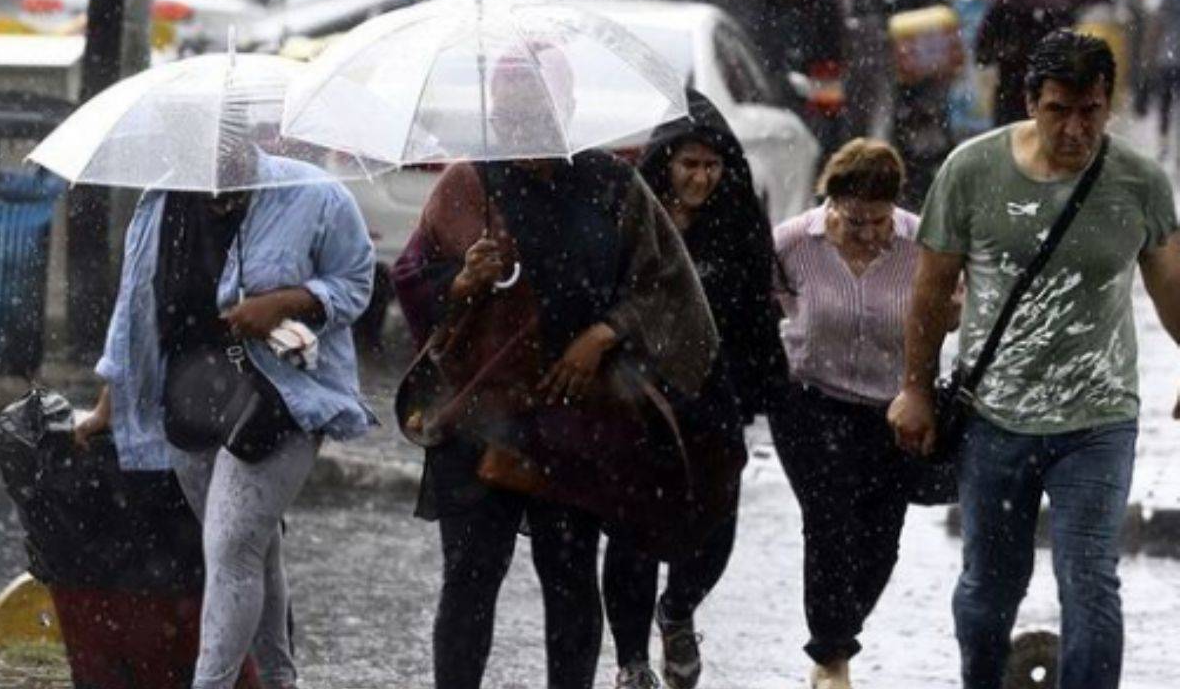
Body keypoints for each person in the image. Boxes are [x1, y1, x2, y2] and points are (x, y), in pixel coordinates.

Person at [392, 45, 721, 689]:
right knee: (469, 580)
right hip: (479, 419)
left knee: (570, 582)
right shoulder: (466, 184)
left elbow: (667, 288)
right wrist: (461, 283)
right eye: (511, 114)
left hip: (579, 421)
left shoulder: (612, 184)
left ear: (567, 109)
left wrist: (605, 333)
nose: (525, 128)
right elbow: (412, 278)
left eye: (539, 111)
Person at [888, 30, 1180, 689]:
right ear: (1029, 101)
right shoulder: (971, 171)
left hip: (1099, 420)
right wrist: (913, 388)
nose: (1075, 128)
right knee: (988, 595)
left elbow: (1172, 292)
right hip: (995, 419)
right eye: (1058, 110)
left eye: (1091, 111)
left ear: (1109, 105)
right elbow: (931, 293)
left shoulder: (1138, 181)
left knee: (1091, 586)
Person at [75, 153, 377, 689]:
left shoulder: (313, 194)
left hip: (282, 398)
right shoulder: (160, 202)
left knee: (232, 545)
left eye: (230, 137)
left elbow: (356, 280)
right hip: (190, 402)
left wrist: (291, 301)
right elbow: (134, 311)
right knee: (254, 552)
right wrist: (111, 402)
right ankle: (282, 680)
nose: (217, 150)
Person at [600, 89, 786, 689]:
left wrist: (760, 392)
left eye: (711, 165)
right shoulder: (630, 222)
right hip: (637, 402)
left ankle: (677, 611)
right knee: (631, 536)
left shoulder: (736, 227)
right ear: (665, 165)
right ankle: (632, 661)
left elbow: (759, 318)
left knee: (713, 531)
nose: (701, 178)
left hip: (713, 401)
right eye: (689, 164)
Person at [767, 138, 922, 689]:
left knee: (881, 537)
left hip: (891, 406)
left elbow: (952, 314)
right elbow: (761, 308)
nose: (868, 233)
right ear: (830, 203)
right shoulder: (791, 243)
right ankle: (832, 659)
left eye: (879, 220)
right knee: (829, 520)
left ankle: (837, 634)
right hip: (811, 400)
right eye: (854, 221)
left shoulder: (921, 244)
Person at [975, 0, 1109, 126]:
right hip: (1052, 100)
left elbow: (983, 53)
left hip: (1013, 95)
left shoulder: (1004, 5)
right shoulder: (1062, 10)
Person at [1142, 0, 1180, 156]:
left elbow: (1155, 28)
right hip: (1172, 58)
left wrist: (1149, 55)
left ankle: (1163, 141)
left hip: (1166, 58)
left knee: (1165, 103)